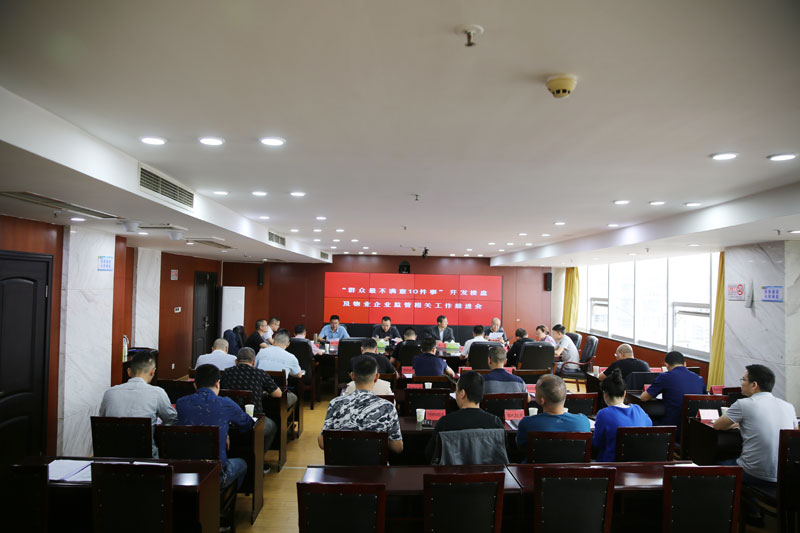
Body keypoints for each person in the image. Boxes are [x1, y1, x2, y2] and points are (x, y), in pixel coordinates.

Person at [713, 365, 798, 524]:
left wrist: (738, 423)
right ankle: (754, 512)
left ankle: (740, 514)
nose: (741, 383)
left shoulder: (744, 404)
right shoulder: (788, 406)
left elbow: (718, 425)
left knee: (716, 465)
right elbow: (795, 432)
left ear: (754, 385)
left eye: (743, 379)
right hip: (786, 475)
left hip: (756, 474)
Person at [177, 364, 253, 489]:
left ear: (195, 385)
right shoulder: (225, 403)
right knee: (242, 463)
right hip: (217, 473)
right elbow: (247, 423)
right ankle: (223, 497)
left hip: (186, 471)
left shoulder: (181, 403)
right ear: (218, 383)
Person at [99, 351, 176, 457]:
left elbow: (102, 422)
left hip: (111, 456)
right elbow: (172, 420)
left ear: (129, 372)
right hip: (146, 458)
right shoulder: (157, 393)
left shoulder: (109, 393)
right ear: (153, 372)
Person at [318, 356, 403, 454]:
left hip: (342, 463)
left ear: (352, 376)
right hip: (374, 463)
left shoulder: (335, 403)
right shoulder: (388, 407)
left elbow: (322, 443)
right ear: (376, 377)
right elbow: (398, 447)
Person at [219, 347, 281, 466]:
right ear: (253, 362)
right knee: (272, 426)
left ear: (236, 361)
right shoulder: (260, 373)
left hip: (230, 421)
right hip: (253, 420)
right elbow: (278, 394)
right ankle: (259, 460)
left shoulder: (226, 373)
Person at [425, 371, 504, 461]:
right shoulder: (495, 422)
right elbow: (502, 452)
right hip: (487, 470)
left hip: (451, 470)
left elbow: (430, 454)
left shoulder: (445, 423)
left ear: (462, 393)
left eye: (456, 390)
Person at [515, 374, 591, 452]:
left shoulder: (527, 423)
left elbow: (520, 448)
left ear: (542, 400)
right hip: (572, 460)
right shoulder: (583, 421)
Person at [592, 369, 652, 461]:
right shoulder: (638, 410)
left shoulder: (603, 414)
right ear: (624, 394)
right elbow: (649, 427)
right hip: (637, 463)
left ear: (605, 394)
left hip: (610, 465)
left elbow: (597, 444)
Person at [640, 351, 705, 429]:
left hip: (671, 425)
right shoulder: (699, 378)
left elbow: (644, 398)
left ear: (666, 365)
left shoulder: (665, 377)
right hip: (693, 426)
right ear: (685, 364)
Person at [254, 331, 303, 408]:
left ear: (273, 341)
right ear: (288, 344)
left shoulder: (261, 352)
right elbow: (299, 375)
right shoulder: (291, 357)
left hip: (259, 395)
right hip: (280, 396)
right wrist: (288, 372)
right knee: (294, 397)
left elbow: (255, 368)